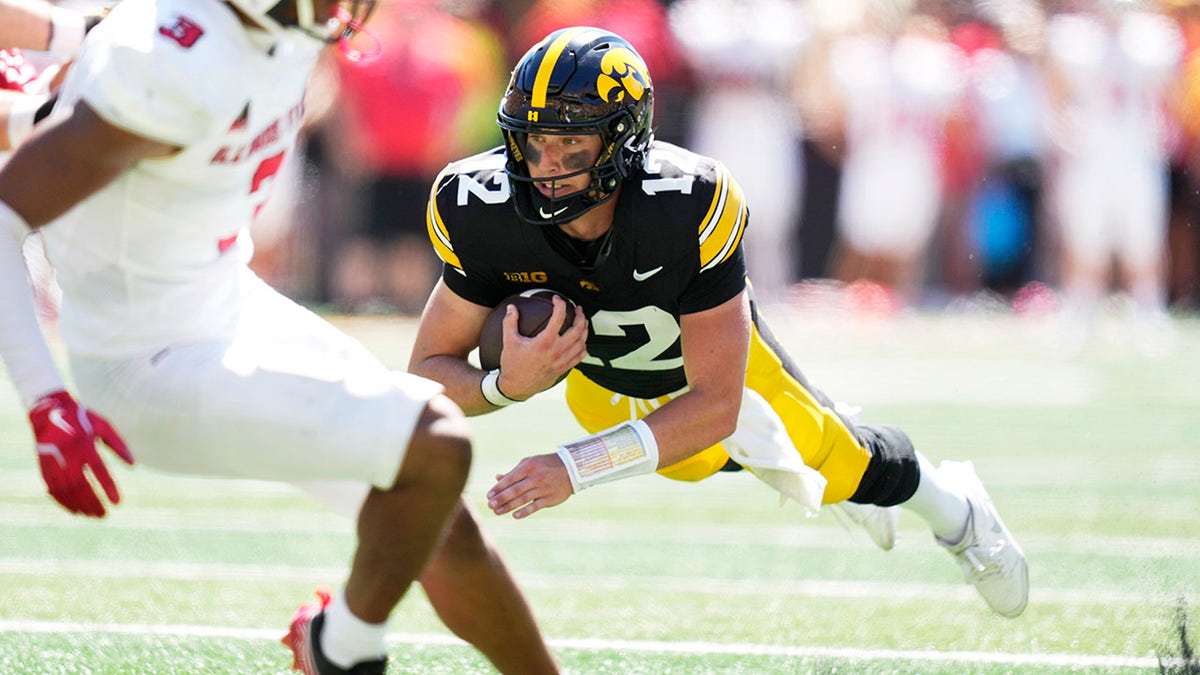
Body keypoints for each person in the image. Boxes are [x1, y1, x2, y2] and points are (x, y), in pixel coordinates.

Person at [0, 1, 558, 674]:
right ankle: (342, 647)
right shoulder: (169, 63)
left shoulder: (265, 28)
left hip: (223, 299)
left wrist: (60, 57)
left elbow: (89, 55)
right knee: (433, 441)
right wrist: (42, 396)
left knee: (437, 517)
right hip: (147, 360)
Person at [411, 25, 1029, 619]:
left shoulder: (684, 202)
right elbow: (425, 374)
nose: (546, 164)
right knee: (689, 461)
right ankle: (778, 450)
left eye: (573, 141)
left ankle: (955, 505)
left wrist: (574, 467)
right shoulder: (479, 209)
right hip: (601, 384)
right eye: (534, 139)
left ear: (626, 138)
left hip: (710, 366)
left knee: (840, 466)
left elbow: (715, 406)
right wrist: (504, 386)